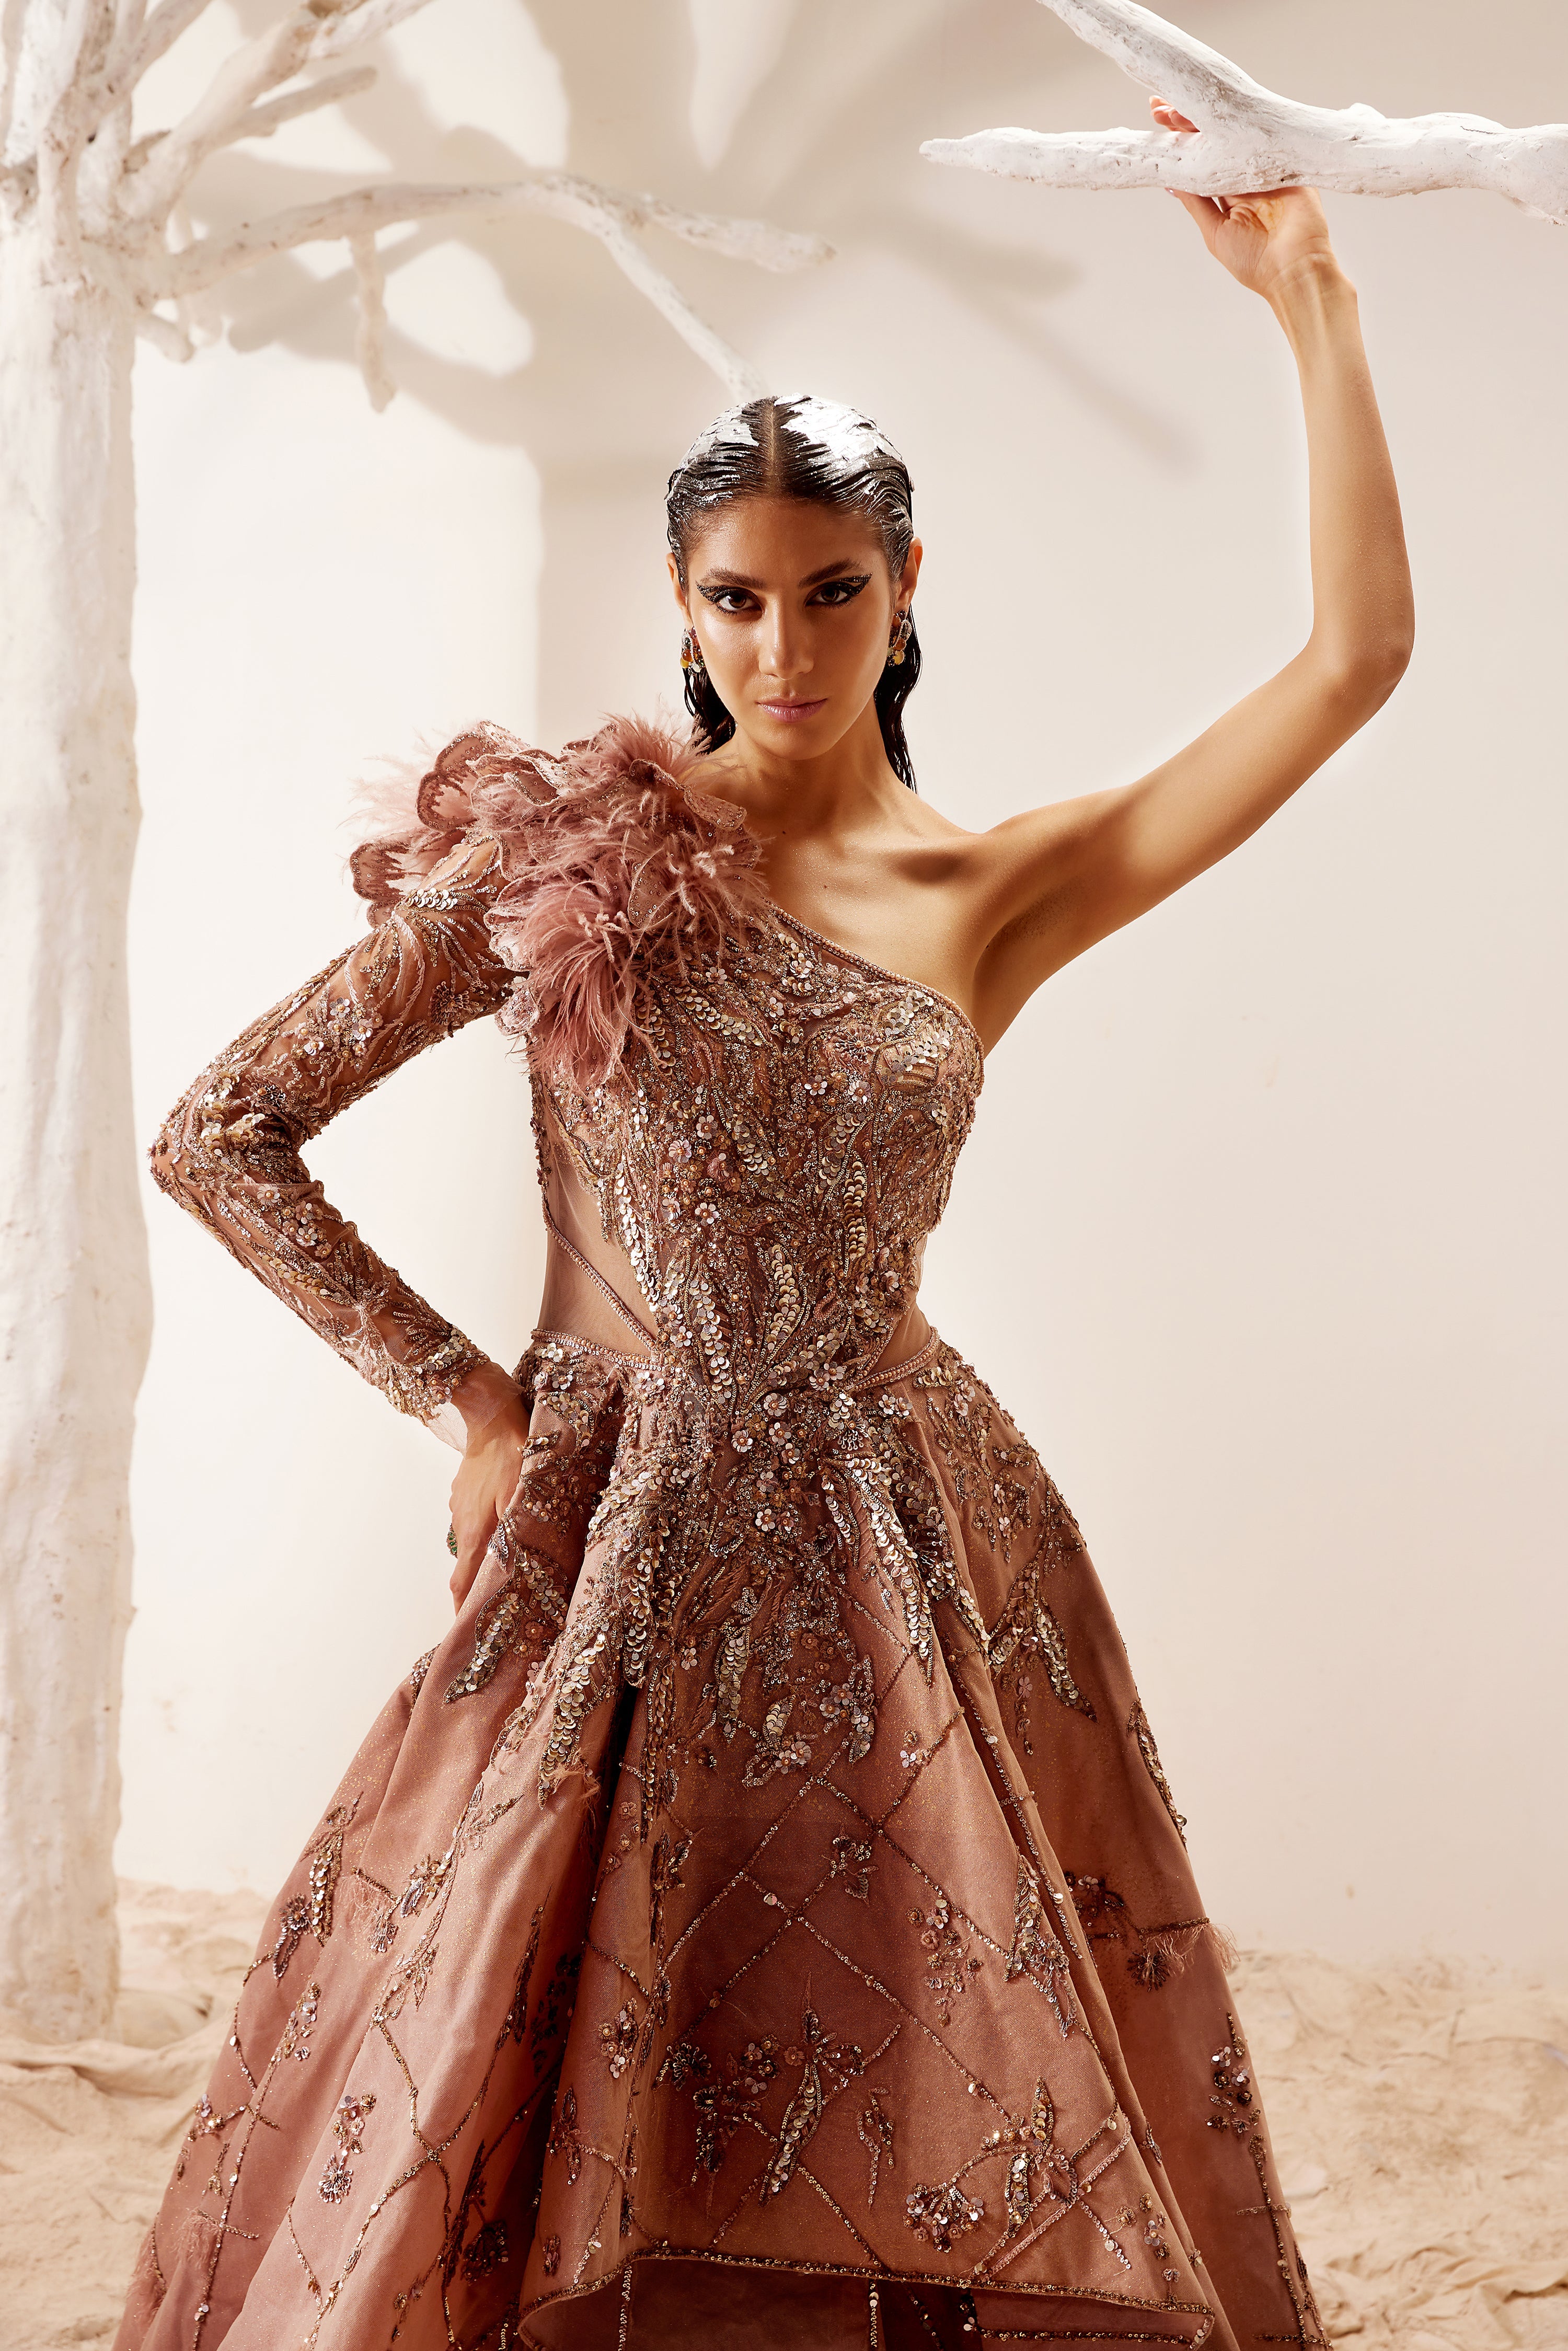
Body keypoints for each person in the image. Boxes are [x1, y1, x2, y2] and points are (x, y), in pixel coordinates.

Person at [118, 133, 1411, 2351]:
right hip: (619, 1534)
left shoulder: (990, 892)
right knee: (520, 2041)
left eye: (830, 592)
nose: (783, 646)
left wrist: (1312, 296)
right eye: (735, 598)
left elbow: (1353, 660)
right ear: (682, 603)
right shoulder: (565, 861)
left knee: (933, 2044)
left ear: (907, 586)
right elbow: (224, 1131)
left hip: (914, 1535)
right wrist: (471, 1400)